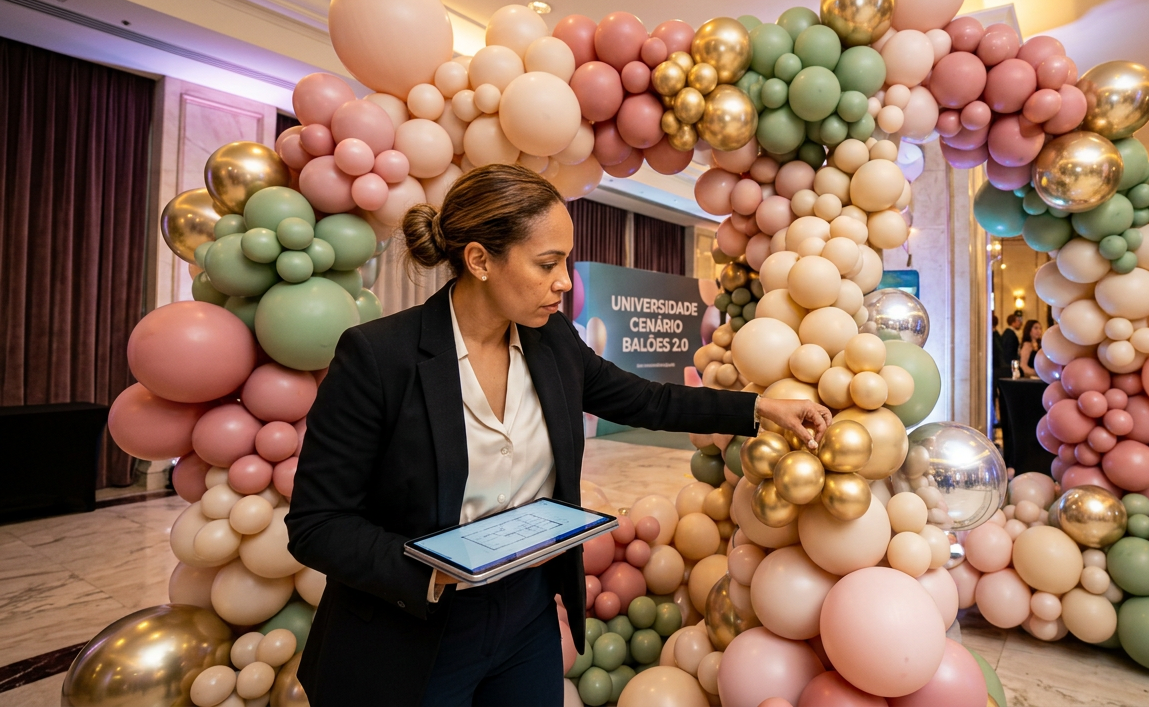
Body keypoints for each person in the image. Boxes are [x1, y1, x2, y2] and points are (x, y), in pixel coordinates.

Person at [285, 165, 832, 706]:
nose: (565, 281)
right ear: (479, 260)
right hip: (410, 630)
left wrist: (760, 408)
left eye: (565, 261)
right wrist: (435, 571)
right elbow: (317, 524)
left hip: (526, 617)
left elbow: (648, 398)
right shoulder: (379, 357)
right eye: (547, 263)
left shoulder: (554, 344)